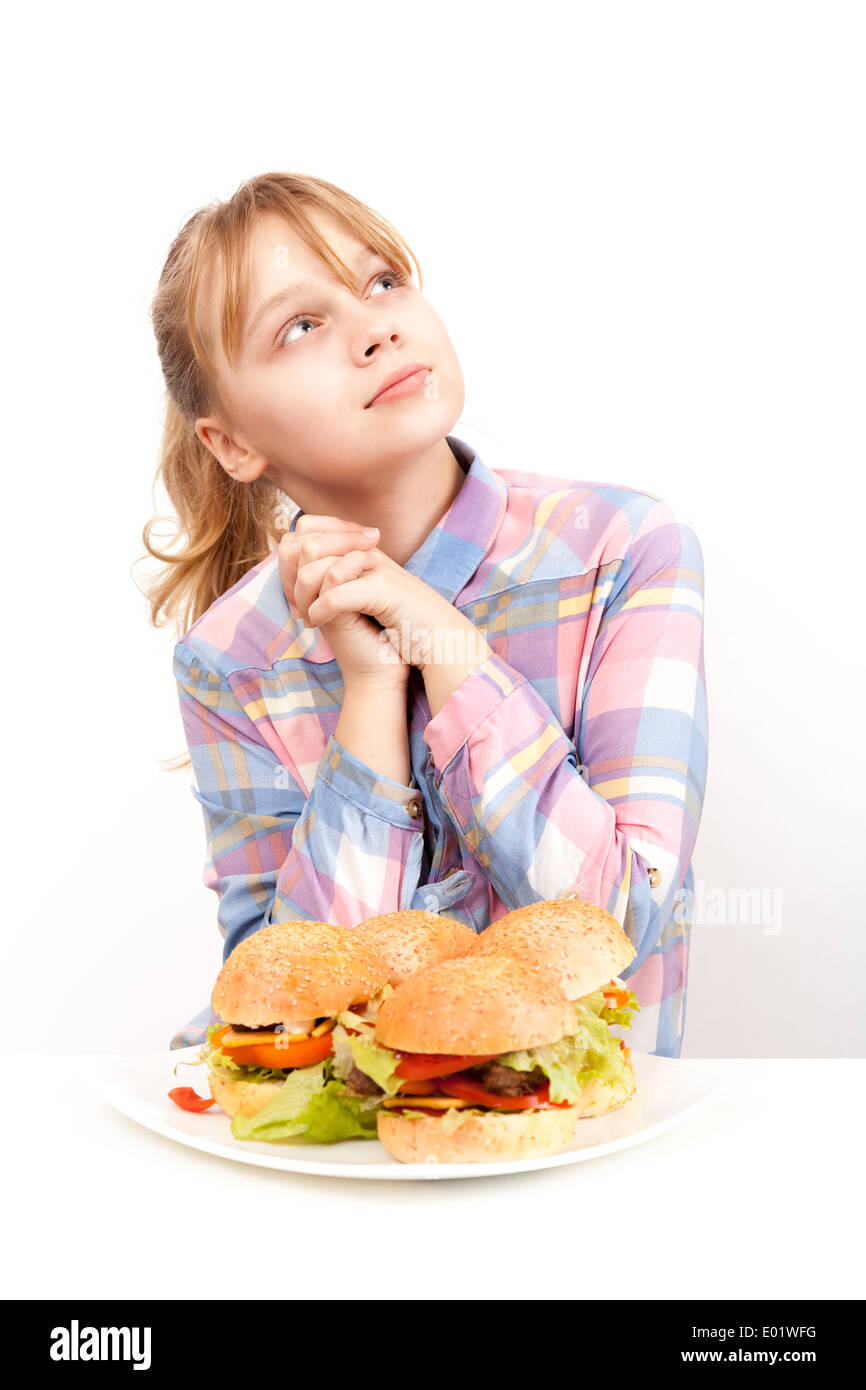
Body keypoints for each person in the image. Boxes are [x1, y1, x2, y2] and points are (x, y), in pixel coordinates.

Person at [140, 171, 708, 1059]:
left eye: (381, 282)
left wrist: (443, 642)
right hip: (346, 1166)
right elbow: (285, 1024)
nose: (376, 328)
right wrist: (369, 692)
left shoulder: (623, 551)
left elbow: (622, 933)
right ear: (232, 443)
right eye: (300, 326)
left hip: (579, 1149)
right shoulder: (231, 658)